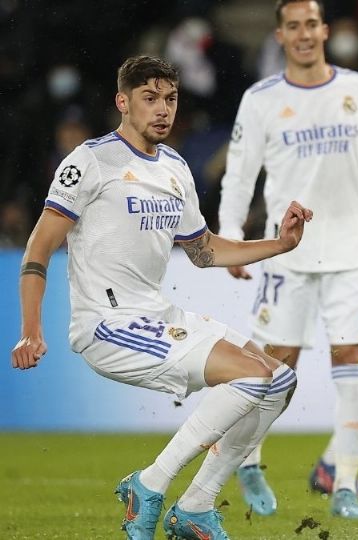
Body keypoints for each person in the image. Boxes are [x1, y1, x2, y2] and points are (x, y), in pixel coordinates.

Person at [11, 55, 309, 540]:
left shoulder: (175, 167)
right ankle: (150, 484)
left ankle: (195, 506)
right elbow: (38, 247)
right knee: (253, 377)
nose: (162, 109)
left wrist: (280, 242)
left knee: (278, 380)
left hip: (157, 314)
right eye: (150, 98)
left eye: (170, 98)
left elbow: (204, 250)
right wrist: (31, 329)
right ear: (123, 103)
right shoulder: (90, 161)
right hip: (107, 325)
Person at [217, 0, 358, 519]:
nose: (304, 34)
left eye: (312, 24)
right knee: (274, 365)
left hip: (351, 250)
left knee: (350, 361)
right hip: (287, 253)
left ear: (325, 30)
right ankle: (249, 462)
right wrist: (230, 238)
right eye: (294, 27)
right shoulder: (261, 99)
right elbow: (240, 175)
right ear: (280, 36)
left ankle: (346, 484)